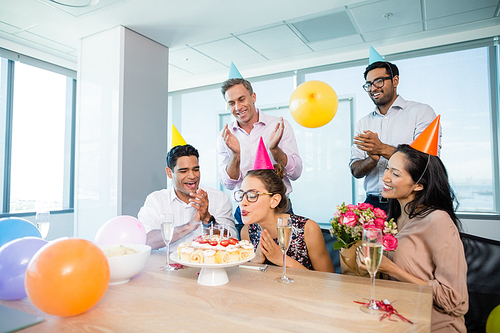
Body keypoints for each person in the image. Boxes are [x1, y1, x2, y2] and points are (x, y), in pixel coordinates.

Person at [357, 144, 468, 332]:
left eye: (396, 174)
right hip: (394, 321)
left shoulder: (438, 221)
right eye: (387, 169)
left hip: (433, 325)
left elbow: (453, 299)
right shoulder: (393, 219)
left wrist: (391, 268)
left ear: (418, 185)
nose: (385, 178)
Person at [350, 60, 440, 212]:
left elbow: (428, 162)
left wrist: (382, 148)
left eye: (378, 81)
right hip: (372, 205)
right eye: (368, 84)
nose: (373, 88)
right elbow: (355, 171)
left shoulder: (420, 112)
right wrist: (372, 159)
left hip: (410, 202)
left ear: (395, 80)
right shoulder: (363, 123)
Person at [217, 77, 303, 224]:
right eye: (231, 103)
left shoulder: (278, 126)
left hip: (278, 208)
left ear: (253, 97)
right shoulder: (225, 136)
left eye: (241, 99)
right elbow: (228, 184)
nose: (237, 107)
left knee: (283, 246)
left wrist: (275, 150)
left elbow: (296, 173)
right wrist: (236, 155)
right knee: (245, 247)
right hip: (245, 210)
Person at [238, 164, 334, 272]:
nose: (243, 203)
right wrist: (255, 261)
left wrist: (281, 259)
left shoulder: (308, 229)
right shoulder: (247, 231)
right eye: (241, 195)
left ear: (274, 200)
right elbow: (248, 280)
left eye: (252, 195)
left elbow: (328, 280)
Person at [138, 144, 236, 250]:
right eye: (184, 171)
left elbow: (232, 240)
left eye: (195, 169)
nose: (192, 176)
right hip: (167, 265)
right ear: (169, 173)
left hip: (206, 265)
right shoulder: (156, 200)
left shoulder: (220, 198)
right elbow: (146, 240)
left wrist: (207, 219)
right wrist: (188, 227)